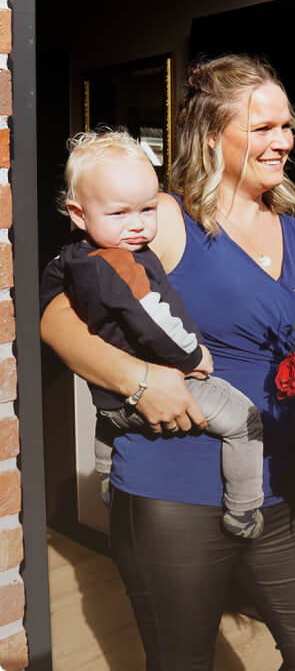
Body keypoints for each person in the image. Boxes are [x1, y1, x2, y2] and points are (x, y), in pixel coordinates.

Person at [40, 54, 295, 670]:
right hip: (172, 494)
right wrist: (140, 381)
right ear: (213, 137)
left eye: (286, 127)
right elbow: (55, 313)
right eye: (262, 128)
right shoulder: (166, 219)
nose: (282, 141)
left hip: (278, 492)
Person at [41, 129, 265, 539]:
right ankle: (244, 510)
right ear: (78, 214)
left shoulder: (72, 257)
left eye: (147, 209)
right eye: (120, 214)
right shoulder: (119, 262)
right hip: (155, 385)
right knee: (243, 420)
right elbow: (152, 317)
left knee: (110, 421)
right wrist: (193, 355)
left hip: (109, 402)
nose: (139, 225)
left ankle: (106, 475)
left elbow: (50, 289)